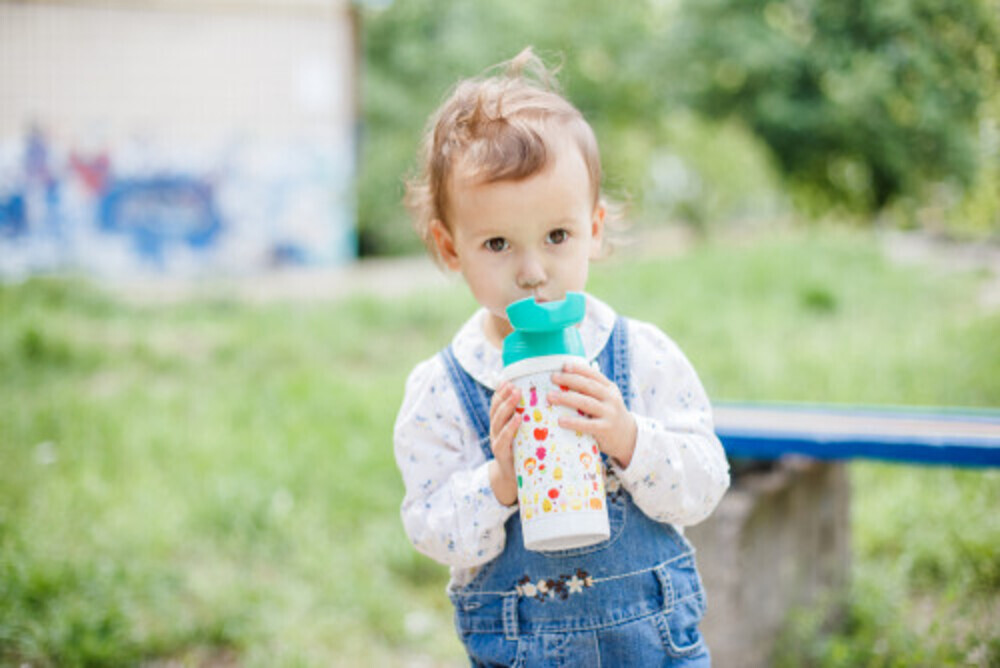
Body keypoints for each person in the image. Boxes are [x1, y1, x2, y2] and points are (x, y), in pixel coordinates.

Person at [394, 47, 730, 666]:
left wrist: (629, 438)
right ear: (450, 248)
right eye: (497, 243)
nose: (532, 272)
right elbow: (430, 528)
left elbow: (706, 481)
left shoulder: (640, 355)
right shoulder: (443, 389)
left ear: (594, 228)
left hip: (654, 648)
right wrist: (497, 483)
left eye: (557, 236)